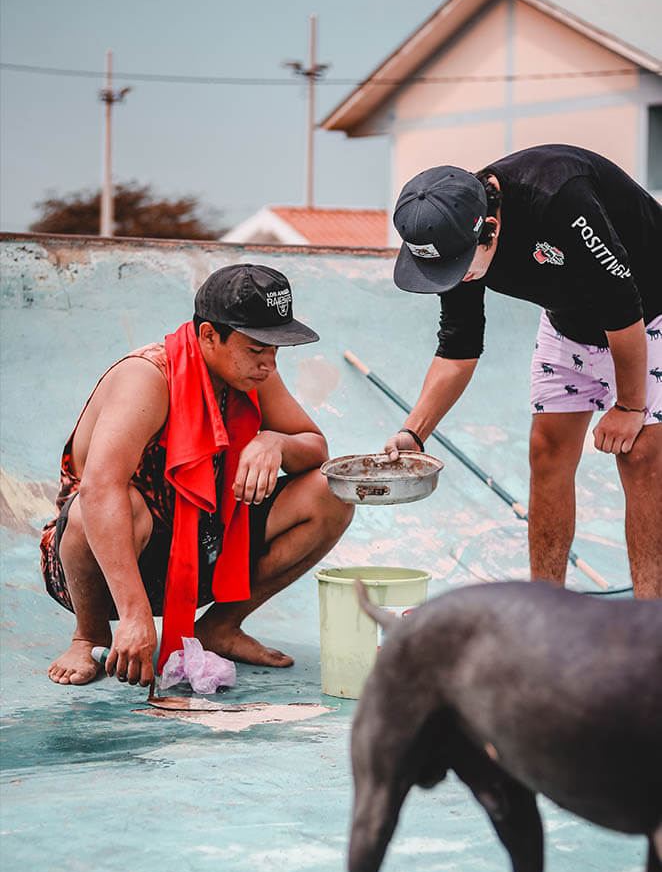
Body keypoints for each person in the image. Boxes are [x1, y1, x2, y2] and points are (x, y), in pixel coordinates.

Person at [41, 263, 354, 687]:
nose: (268, 363)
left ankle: (219, 627)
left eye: (276, 349)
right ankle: (89, 634)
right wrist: (134, 615)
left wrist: (274, 442)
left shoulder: (253, 373)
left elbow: (316, 448)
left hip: (205, 550)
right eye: (256, 347)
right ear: (209, 335)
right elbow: (99, 492)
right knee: (97, 505)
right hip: (107, 563)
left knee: (333, 492)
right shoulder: (148, 377)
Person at [386, 144, 662, 598]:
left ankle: (650, 626)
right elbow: (458, 347)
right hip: (568, 322)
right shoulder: (455, 236)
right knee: (547, 451)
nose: (453, 280)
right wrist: (413, 433)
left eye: (457, 270)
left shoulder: (559, 197)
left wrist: (630, 405)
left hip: (646, 314)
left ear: (490, 229)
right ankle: (545, 612)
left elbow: (622, 303)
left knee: (640, 454)